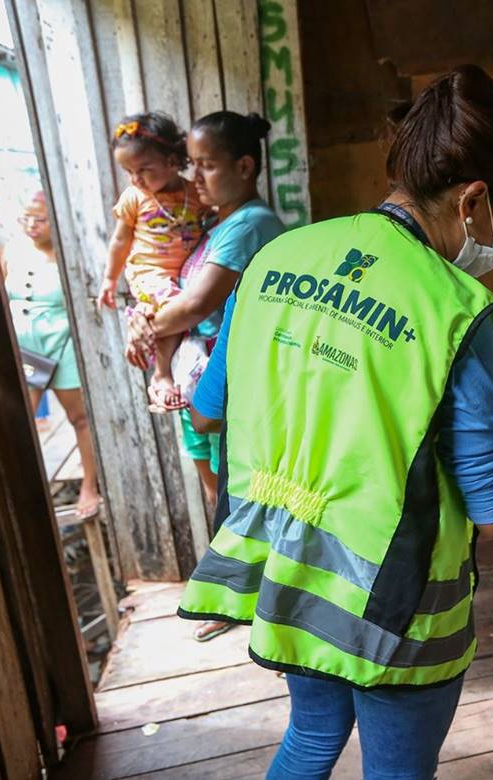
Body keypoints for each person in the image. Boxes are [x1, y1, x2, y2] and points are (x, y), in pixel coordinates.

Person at [176, 65, 493, 779]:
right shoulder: (456, 311)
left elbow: (209, 411)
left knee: (309, 738)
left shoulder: (277, 257)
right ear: (475, 200)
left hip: (290, 570)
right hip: (400, 599)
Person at [125, 111, 283, 641]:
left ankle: (246, 596)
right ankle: (236, 591)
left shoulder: (252, 225)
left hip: (229, 380)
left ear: (244, 165)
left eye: (207, 166)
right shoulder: (219, 224)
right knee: (220, 490)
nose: (195, 178)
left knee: (235, 492)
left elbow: (195, 306)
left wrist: (145, 328)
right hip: (201, 376)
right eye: (191, 166)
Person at [4, 191, 102, 519]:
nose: (31, 226)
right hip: (25, 346)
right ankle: (24, 490)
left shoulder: (68, 255)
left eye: (39, 219)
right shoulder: (13, 250)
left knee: (79, 418)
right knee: (20, 420)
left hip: (62, 345)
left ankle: (90, 484)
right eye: (26, 218)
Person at [100, 112, 207, 410]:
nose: (136, 179)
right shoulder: (135, 197)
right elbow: (120, 240)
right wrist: (110, 279)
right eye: (128, 172)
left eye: (144, 170)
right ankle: (161, 375)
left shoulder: (195, 194)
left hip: (185, 270)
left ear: (173, 162)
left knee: (185, 312)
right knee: (173, 304)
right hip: (150, 271)